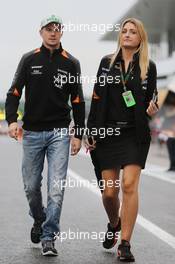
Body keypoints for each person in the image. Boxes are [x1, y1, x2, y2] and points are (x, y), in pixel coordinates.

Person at [5, 15, 85, 256]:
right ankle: (39, 219)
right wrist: (11, 121)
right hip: (31, 132)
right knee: (31, 186)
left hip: (59, 132)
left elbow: (78, 101)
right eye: (48, 29)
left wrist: (78, 134)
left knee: (56, 187)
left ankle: (49, 236)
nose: (53, 33)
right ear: (40, 32)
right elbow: (14, 92)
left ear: (62, 33)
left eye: (57, 29)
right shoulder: (29, 59)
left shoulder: (71, 62)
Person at [86, 18, 158, 262]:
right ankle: (114, 223)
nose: (127, 35)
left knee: (129, 185)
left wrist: (152, 108)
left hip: (134, 134)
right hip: (108, 133)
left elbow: (151, 98)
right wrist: (91, 130)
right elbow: (97, 98)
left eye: (132, 32)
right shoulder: (106, 63)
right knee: (109, 193)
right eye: (124, 31)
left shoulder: (149, 66)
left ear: (140, 38)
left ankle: (125, 244)